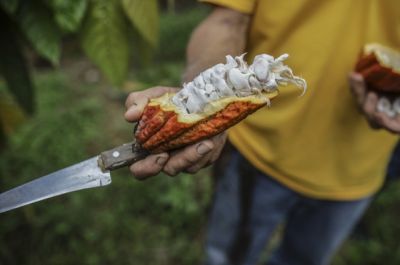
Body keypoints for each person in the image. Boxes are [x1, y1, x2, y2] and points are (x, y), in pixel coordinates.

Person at [124, 1, 400, 264]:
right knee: (226, 258)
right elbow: (227, 20)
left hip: (356, 169)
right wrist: (202, 94)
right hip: (256, 153)